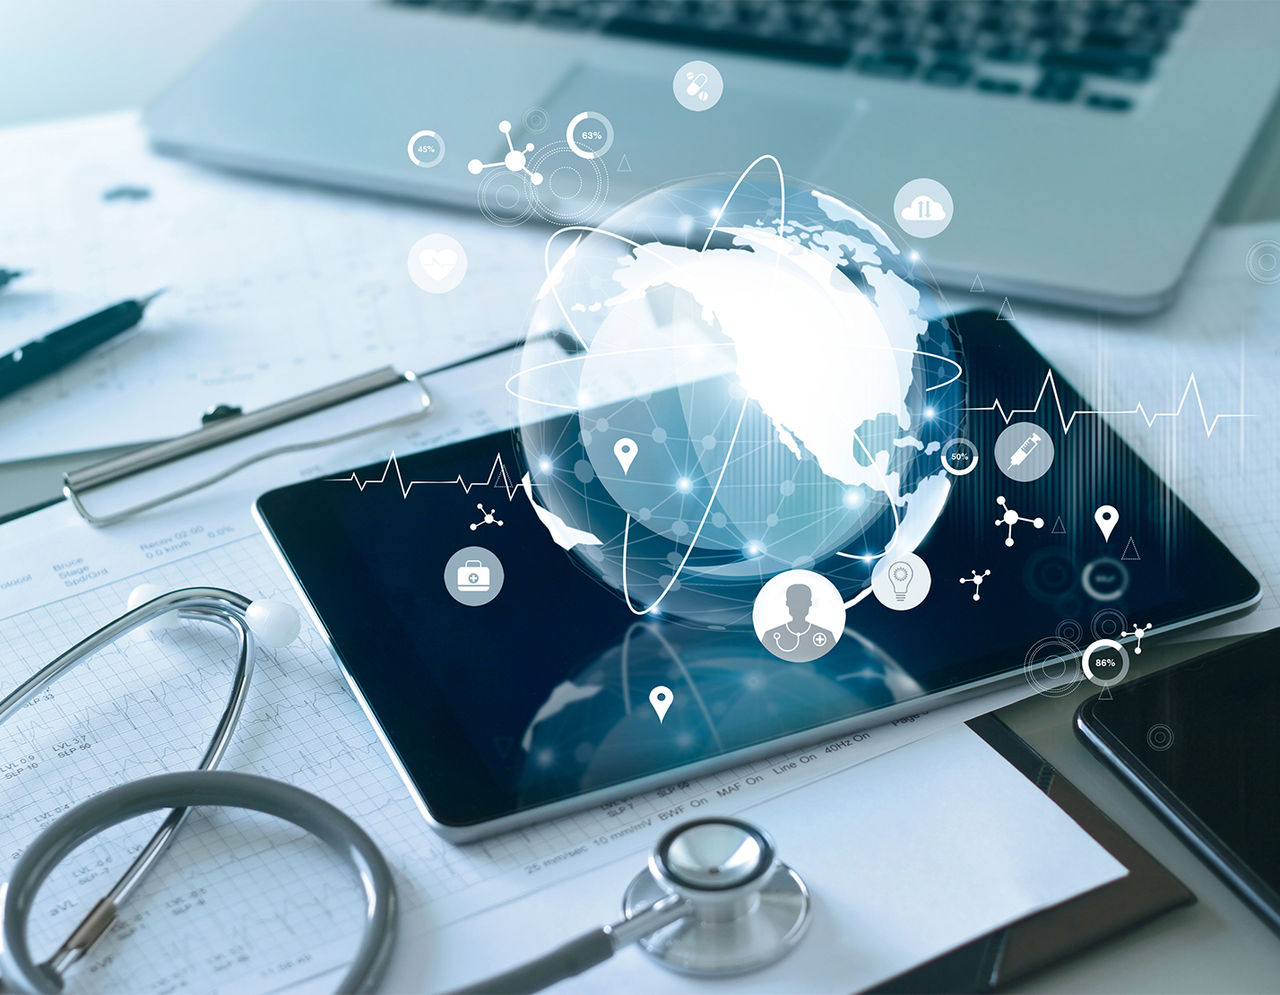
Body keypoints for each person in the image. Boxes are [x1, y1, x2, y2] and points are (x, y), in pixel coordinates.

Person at [762, 583, 836, 663]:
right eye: (795, 601)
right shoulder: (770, 636)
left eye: (803, 601)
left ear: (809, 603)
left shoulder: (826, 636)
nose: (799, 606)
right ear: (788, 603)